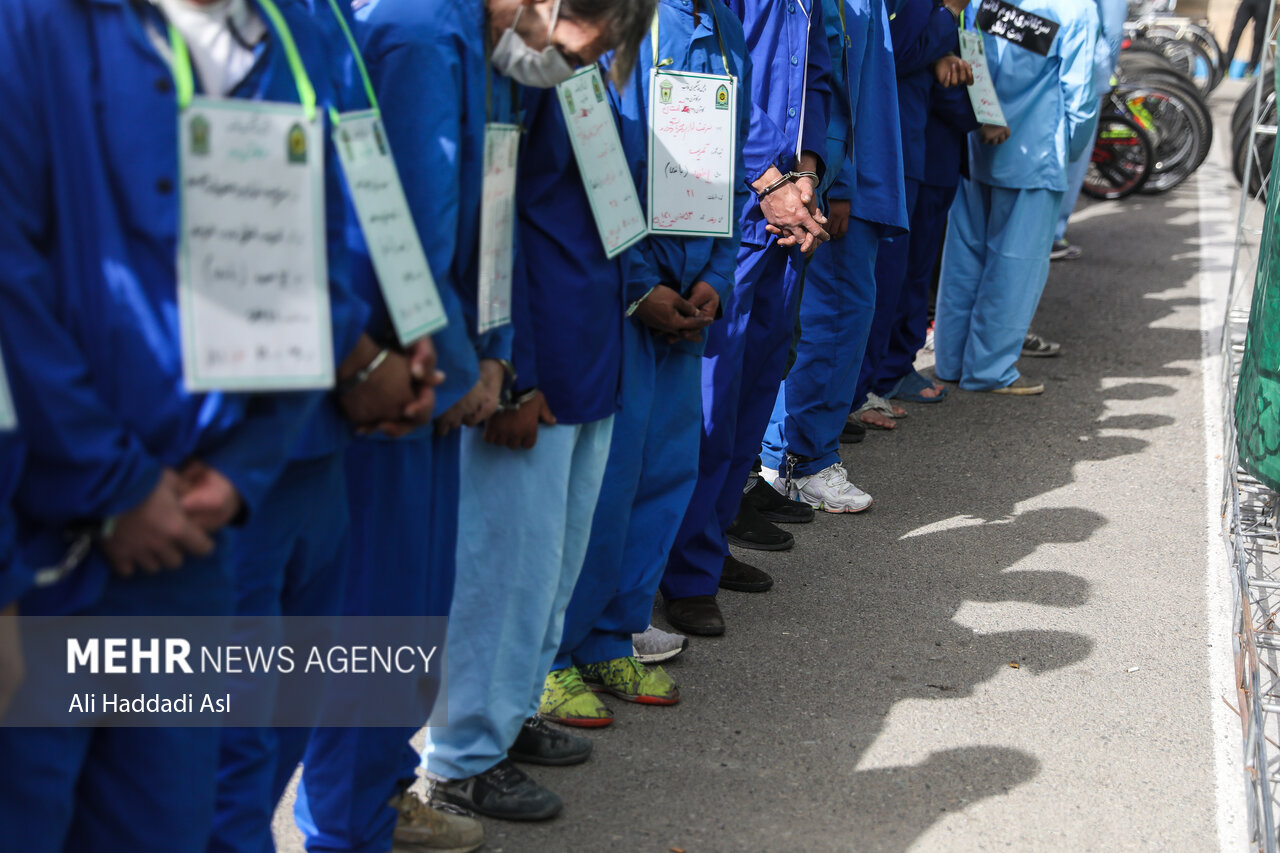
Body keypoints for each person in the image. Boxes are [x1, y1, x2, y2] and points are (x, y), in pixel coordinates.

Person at [0, 0, 359, 848]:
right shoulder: (31, 27)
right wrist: (116, 485)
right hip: (40, 551)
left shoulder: (288, 38)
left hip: (188, 542)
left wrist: (242, 466)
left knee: (162, 822)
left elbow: (321, 267)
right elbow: (11, 287)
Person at [294, 0, 652, 846]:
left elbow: (479, 224)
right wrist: (475, 365)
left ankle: (378, 800)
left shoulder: (477, 44)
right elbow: (403, 236)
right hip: (398, 379)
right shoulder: (423, 36)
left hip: (442, 368)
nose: (559, 62)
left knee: (416, 607)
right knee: (383, 617)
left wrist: (488, 354)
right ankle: (357, 817)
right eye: (574, 46)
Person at [206, 0, 449, 851]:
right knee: (213, 752)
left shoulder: (321, 16)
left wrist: (401, 337)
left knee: (275, 725)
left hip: (319, 429)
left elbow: (360, 190)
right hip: (230, 439)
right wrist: (360, 361)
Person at [421, 0, 655, 820]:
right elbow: (493, 225)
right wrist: (510, 367)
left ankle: (512, 711)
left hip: (589, 338)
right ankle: (461, 757)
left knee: (549, 564)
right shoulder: (504, 61)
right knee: (501, 570)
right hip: (536, 351)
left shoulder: (574, 62)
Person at [540, 0, 751, 729]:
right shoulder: (616, 23)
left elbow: (726, 167)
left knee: (663, 473)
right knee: (601, 484)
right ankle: (552, 655)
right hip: (625, 295)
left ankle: (611, 636)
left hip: (690, 297)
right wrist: (639, 287)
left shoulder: (723, 30)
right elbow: (595, 171)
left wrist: (716, 274)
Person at [662, 0, 833, 637]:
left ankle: (709, 541)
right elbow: (708, 86)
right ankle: (682, 569)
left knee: (758, 379)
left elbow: (813, 76)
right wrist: (769, 179)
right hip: (728, 198)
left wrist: (807, 170)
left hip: (785, 200)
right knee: (710, 392)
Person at [759, 0, 908, 511]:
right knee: (833, 317)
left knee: (823, 318)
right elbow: (826, 66)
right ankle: (800, 459)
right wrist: (837, 182)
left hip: (845, 167)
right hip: (836, 173)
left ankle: (790, 455)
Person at [934, 0, 1098, 395]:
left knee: (964, 258)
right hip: (1036, 151)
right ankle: (989, 370)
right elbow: (1080, 97)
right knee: (1016, 266)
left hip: (978, 143)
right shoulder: (1076, 9)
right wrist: (1068, 153)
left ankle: (950, 361)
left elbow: (965, 50)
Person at [850, 0, 970, 431]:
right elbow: (895, 48)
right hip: (890, 150)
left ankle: (872, 381)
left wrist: (940, 47)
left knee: (899, 276)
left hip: (908, 147)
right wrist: (948, 15)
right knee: (879, 280)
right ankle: (861, 388)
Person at [1050, 0, 1126, 261]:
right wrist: (1105, 68)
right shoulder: (1080, 13)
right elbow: (1113, 29)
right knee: (1071, 160)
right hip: (1082, 68)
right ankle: (1052, 235)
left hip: (1034, 66)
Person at [1224, 0, 1273, 77]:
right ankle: (1225, 65)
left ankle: (1251, 68)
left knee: (1258, 37)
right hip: (1247, 2)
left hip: (1263, 3)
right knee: (1236, 32)